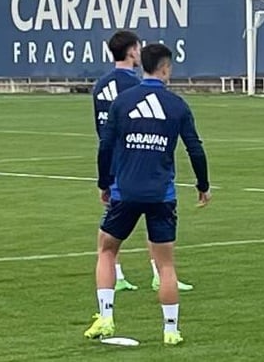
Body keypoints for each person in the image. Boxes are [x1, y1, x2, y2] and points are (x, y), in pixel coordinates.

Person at [84, 44, 211, 344]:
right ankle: (171, 330)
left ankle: (106, 316)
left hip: (125, 190)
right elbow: (195, 148)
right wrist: (203, 185)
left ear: (144, 66)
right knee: (165, 264)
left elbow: (105, 146)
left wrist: (105, 183)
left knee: (106, 249)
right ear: (166, 68)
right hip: (161, 194)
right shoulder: (177, 105)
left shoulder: (123, 101)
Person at [92, 30, 195, 293]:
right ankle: (158, 273)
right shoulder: (133, 88)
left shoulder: (101, 85)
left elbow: (101, 131)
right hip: (136, 157)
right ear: (131, 51)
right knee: (151, 215)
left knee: (112, 227)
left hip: (115, 158)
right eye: (137, 47)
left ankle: (116, 273)